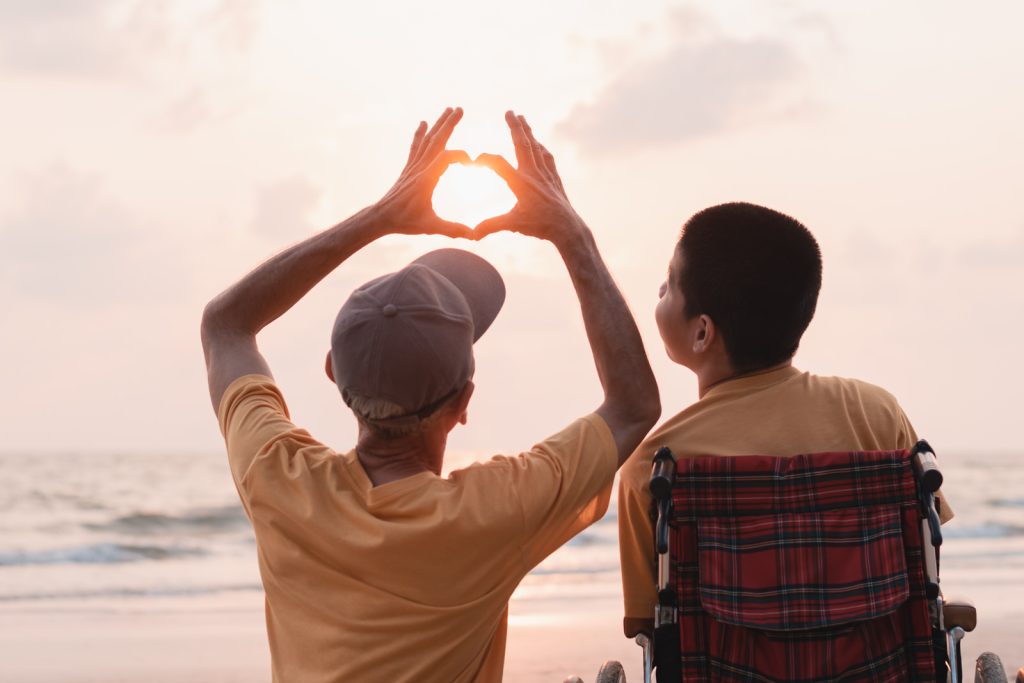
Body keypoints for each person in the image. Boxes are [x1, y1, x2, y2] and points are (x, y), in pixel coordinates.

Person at [200, 107, 660, 682]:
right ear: (464, 402)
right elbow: (634, 405)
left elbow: (226, 325)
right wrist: (572, 235)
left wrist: (379, 217)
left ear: (330, 374)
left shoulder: (277, 477)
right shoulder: (494, 514)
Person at [616, 201, 953, 638]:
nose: (661, 290)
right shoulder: (876, 414)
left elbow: (648, 626)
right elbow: (925, 567)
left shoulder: (654, 464)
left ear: (702, 332)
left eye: (671, 285)